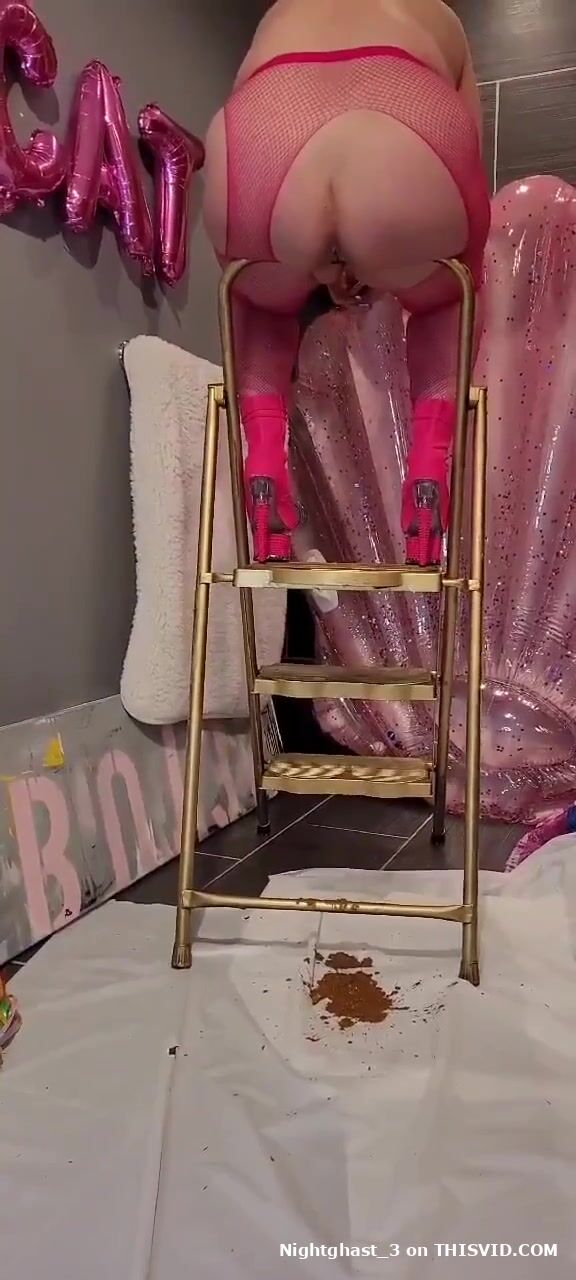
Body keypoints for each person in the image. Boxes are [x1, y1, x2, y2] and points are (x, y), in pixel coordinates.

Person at [203, 0, 490, 565]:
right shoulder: (438, 15)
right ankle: (429, 472)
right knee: (453, 293)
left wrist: (324, 260)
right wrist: (380, 257)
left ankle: (264, 462)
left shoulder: (282, 11)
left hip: (265, 124)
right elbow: (471, 153)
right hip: (405, 117)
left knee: (256, 298)